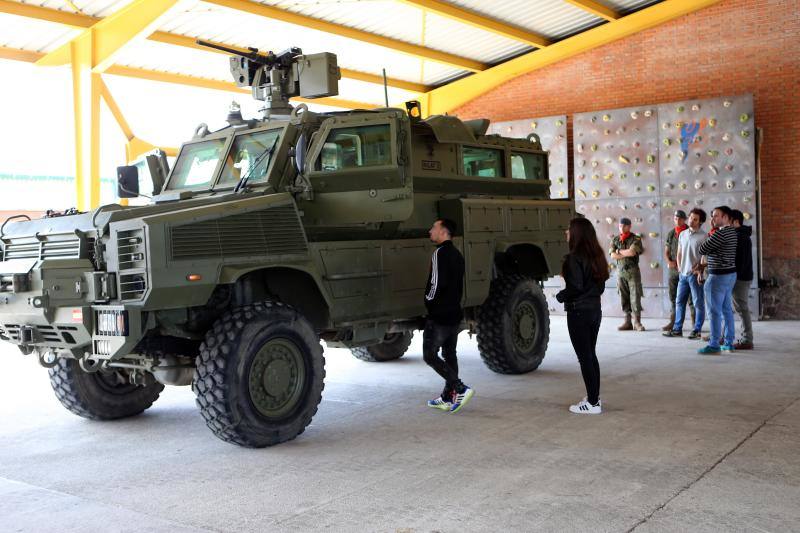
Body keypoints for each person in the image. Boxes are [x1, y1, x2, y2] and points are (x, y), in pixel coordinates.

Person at [557, 218, 609, 415]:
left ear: (576, 233)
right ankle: (594, 398)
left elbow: (575, 287)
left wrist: (561, 295)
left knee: (584, 357)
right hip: (595, 311)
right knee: (590, 355)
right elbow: (600, 286)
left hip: (578, 312)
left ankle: (593, 403)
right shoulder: (597, 256)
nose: (566, 232)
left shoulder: (572, 258)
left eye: (569, 230)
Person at [423, 218, 473, 413]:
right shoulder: (458, 255)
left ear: (443, 232)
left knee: (429, 355)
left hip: (440, 315)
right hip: (454, 313)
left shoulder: (439, 254)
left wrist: (428, 301)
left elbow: (435, 284)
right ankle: (448, 397)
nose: (430, 231)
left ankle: (460, 388)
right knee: (449, 354)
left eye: (433, 228)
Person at [697, 206, 738, 354]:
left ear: (726, 217)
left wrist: (710, 238)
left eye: (716, 216)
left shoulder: (721, 234)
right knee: (726, 310)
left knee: (714, 311)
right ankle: (728, 342)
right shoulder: (732, 232)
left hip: (718, 277)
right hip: (730, 275)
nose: (712, 219)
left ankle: (714, 344)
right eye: (712, 216)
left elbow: (702, 249)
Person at [663, 208, 706, 339]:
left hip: (695, 275)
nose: (691, 221)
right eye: (691, 218)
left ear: (700, 222)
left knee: (698, 303)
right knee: (679, 302)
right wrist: (680, 268)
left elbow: (704, 256)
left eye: (695, 219)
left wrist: (700, 272)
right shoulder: (683, 234)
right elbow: (679, 252)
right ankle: (677, 329)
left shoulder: (704, 236)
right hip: (683, 275)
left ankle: (697, 329)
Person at [609, 217, 645, 331]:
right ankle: (627, 321)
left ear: (629, 226)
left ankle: (637, 322)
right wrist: (623, 253)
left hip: (633, 271)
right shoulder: (615, 239)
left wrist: (618, 251)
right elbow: (612, 255)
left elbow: (632, 252)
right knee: (624, 297)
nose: (621, 228)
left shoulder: (636, 238)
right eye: (620, 226)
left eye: (624, 226)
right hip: (620, 272)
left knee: (635, 296)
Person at [662, 210, 695, 331]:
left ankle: (694, 323)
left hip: (686, 269)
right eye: (676, 218)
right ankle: (673, 321)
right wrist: (669, 262)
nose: (677, 220)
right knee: (673, 296)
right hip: (673, 270)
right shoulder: (671, 233)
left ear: (684, 219)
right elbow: (666, 251)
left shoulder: (689, 232)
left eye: (680, 218)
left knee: (691, 297)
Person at [731, 210, 755, 349]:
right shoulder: (739, 235)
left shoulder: (742, 237)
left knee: (742, 308)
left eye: (729, 221)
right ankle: (726, 335)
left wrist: (734, 275)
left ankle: (747, 339)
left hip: (740, 278)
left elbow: (742, 262)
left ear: (736, 221)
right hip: (738, 276)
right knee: (737, 308)